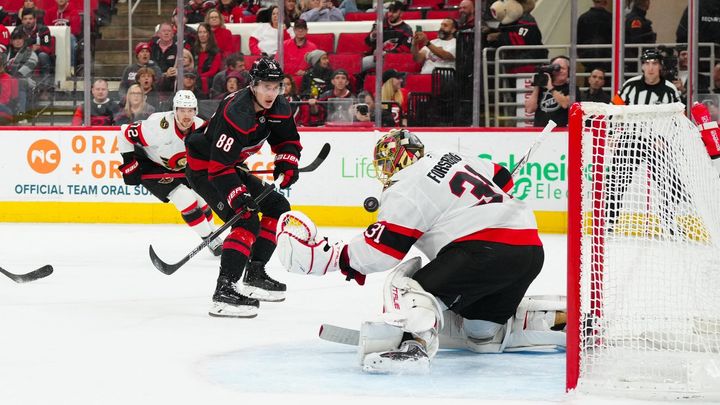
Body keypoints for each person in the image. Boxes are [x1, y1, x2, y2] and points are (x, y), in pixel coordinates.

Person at [276, 129, 562, 373]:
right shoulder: (452, 156)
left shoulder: (406, 185)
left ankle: (414, 345)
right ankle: (552, 320)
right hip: (529, 248)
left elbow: (382, 251)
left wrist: (335, 256)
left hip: (483, 251)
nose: (384, 171)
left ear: (395, 159)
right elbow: (502, 177)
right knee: (482, 334)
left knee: (407, 287)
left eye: (385, 163)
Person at [184, 56, 301, 318]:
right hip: (206, 170)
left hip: (230, 166)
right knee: (247, 219)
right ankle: (224, 291)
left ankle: (255, 273)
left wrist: (287, 162)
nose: (271, 93)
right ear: (253, 85)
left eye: (276, 87)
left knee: (278, 206)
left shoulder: (278, 106)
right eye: (266, 87)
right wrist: (239, 196)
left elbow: (288, 140)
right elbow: (218, 168)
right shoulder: (237, 112)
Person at [116, 90, 221, 256]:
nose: (186, 115)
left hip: (180, 166)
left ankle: (215, 233)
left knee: (201, 196)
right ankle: (210, 239)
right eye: (182, 110)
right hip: (151, 164)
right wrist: (129, 163)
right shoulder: (157, 127)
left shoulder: (202, 127)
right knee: (184, 198)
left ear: (195, 111)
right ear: (175, 110)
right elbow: (123, 133)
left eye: (190, 110)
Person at [608, 48, 681, 234]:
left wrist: (664, 139)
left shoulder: (670, 90)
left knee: (670, 184)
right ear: (642, 66)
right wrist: (612, 134)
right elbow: (614, 110)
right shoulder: (629, 86)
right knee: (615, 182)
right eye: (647, 63)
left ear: (660, 67)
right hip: (630, 140)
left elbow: (678, 119)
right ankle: (609, 222)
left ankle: (668, 222)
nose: (650, 68)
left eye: (655, 64)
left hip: (657, 143)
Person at [524, 55, 575, 128]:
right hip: (540, 131)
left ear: (569, 71)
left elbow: (565, 104)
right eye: (557, 68)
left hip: (560, 132)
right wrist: (537, 86)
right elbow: (529, 109)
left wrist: (550, 87)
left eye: (563, 68)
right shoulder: (542, 88)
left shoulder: (572, 88)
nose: (559, 71)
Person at [361, 1, 412, 72]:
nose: (390, 14)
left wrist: (387, 54)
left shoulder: (406, 29)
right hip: (377, 58)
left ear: (401, 14)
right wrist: (373, 35)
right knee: (360, 64)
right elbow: (368, 42)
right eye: (390, 11)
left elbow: (405, 49)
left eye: (394, 12)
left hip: (394, 60)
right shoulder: (380, 24)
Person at [576, 0, 611, 72]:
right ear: (606, 2)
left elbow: (578, 40)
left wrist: (583, 58)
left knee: (590, 80)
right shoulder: (611, 18)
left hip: (588, 59)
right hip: (607, 60)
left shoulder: (583, 18)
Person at [192, 23, 223, 98]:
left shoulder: (216, 52)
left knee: (203, 80)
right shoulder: (193, 50)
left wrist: (198, 77)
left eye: (204, 32)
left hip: (209, 79)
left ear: (209, 34)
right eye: (200, 32)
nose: (202, 35)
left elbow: (213, 71)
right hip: (194, 77)